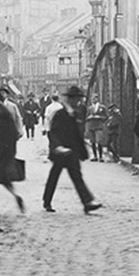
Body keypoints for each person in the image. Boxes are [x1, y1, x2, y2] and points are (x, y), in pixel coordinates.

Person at [42, 85, 102, 214]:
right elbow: (53, 133)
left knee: (77, 177)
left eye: (79, 99)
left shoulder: (76, 114)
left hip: (72, 152)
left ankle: (87, 202)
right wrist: (57, 147)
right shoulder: (59, 114)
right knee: (54, 177)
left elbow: (77, 135)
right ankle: (47, 201)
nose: (77, 102)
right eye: (76, 99)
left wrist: (83, 151)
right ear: (70, 100)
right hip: (60, 152)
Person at [0, 89, 25, 214]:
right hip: (8, 150)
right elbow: (14, 132)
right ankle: (15, 194)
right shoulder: (7, 112)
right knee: (4, 178)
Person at [85, 96, 107, 161]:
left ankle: (101, 156)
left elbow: (106, 116)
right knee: (92, 142)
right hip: (91, 126)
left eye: (95, 98)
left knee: (99, 141)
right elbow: (86, 117)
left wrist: (99, 117)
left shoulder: (102, 107)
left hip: (99, 126)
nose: (93, 100)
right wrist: (89, 117)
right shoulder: (89, 108)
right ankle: (95, 156)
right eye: (92, 99)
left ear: (97, 99)